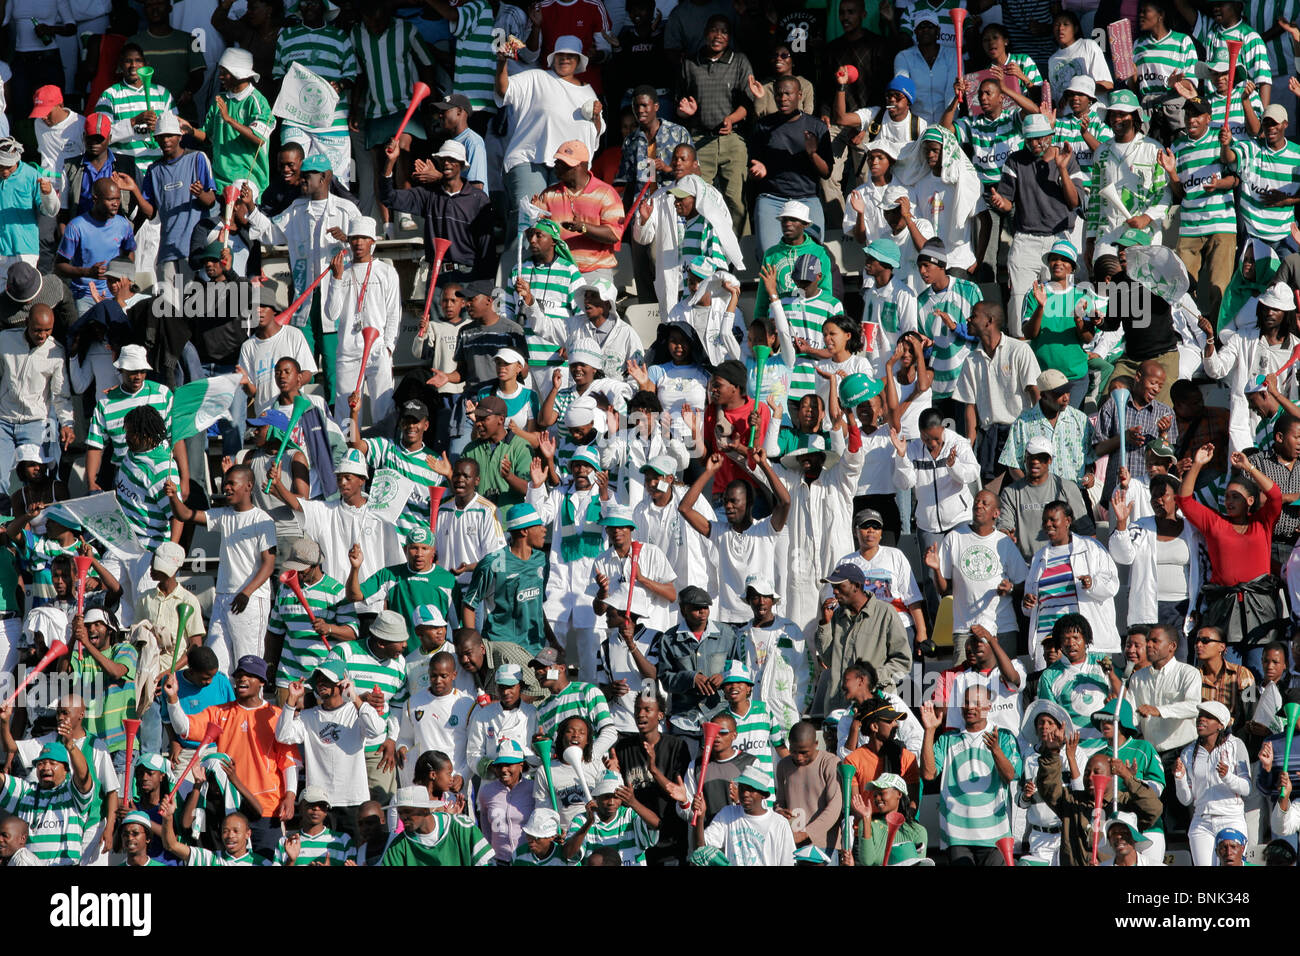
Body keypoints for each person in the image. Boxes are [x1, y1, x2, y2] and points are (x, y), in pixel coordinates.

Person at [162, 655, 298, 856]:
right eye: (239, 675)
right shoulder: (220, 712)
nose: (242, 679)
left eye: (250, 675)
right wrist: (173, 699)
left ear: (262, 682)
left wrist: (290, 795)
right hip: (230, 808)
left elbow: (288, 761)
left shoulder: (276, 715)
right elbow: (185, 728)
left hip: (267, 808)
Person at [1179, 444, 1285, 671]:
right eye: (1227, 496)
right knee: (1227, 672)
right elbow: (1185, 501)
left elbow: (1275, 496)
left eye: (1236, 496)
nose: (1229, 501)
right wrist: (1197, 464)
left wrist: (1249, 467)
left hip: (1260, 609)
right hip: (1224, 610)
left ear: (1250, 501)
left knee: (1258, 673)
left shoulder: (1261, 522)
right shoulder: (1215, 523)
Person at [166, 464, 276, 673]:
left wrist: (246, 592)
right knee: (216, 664)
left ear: (248, 486)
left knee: (247, 665)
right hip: (223, 598)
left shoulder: (263, 520)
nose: (227, 488)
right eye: (225, 484)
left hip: (250, 600)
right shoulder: (223, 514)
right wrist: (173, 497)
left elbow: (268, 565)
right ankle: (221, 705)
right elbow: (186, 514)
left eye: (232, 483)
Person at [989, 115, 1086, 337]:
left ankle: (1055, 348)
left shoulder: (1067, 158)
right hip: (1025, 239)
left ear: (1050, 136)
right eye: (1030, 139)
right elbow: (1007, 202)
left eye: (1039, 138)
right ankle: (1022, 351)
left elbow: (1074, 202)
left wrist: (1061, 168)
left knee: (1060, 299)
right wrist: (999, 202)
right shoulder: (1015, 160)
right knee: (1020, 300)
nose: (1034, 144)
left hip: (1059, 240)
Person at [275, 659, 385, 833]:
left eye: (327, 679)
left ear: (342, 684)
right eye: (318, 680)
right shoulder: (308, 716)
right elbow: (283, 735)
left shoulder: (356, 711)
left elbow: (376, 729)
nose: (321, 684)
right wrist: (291, 700)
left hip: (353, 800)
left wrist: (354, 697)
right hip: (319, 803)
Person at [919, 688, 1021, 866]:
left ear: (989, 706)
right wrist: (929, 731)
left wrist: (996, 750)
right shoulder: (947, 739)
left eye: (977, 703)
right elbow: (928, 774)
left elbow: (1010, 775)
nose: (970, 707)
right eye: (966, 702)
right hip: (957, 836)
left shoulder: (1003, 737)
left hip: (995, 835)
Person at [675, 16, 753, 233]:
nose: (718, 36)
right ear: (705, 32)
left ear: (729, 37)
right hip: (700, 140)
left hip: (732, 140)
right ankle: (704, 249)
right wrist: (684, 111)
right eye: (713, 30)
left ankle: (741, 256)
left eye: (724, 32)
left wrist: (731, 119)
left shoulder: (739, 61)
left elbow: (748, 103)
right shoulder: (690, 62)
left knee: (736, 199)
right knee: (701, 198)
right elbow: (680, 101)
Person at [927, 490, 1028, 656]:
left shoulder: (1004, 542)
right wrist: (936, 569)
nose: (978, 506)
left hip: (1002, 627)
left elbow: (1024, 584)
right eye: (976, 502)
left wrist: (1010, 589)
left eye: (984, 503)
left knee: (1003, 681)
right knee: (963, 680)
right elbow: (944, 590)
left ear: (996, 513)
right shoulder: (954, 538)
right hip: (965, 629)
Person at [1035, 738, 1163, 866]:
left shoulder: (1124, 803)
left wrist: (1127, 776)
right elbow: (1048, 787)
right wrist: (1051, 754)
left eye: (1097, 772)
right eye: (1086, 773)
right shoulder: (1071, 801)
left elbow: (1153, 809)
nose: (1090, 777)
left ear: (1111, 776)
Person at [1110, 474, 1208, 640]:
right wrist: (1121, 523)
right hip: (1148, 608)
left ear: (1177, 498)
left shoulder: (1192, 529)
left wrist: (1199, 606)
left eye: (1163, 495)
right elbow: (1123, 557)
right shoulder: (1141, 527)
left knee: (1180, 659)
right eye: (1154, 496)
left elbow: (1204, 570)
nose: (1157, 500)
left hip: (1182, 609)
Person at [953, 302, 1042, 485]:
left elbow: (1035, 391)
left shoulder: (1019, 350)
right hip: (990, 436)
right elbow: (969, 405)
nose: (968, 319)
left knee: (1024, 488)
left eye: (974, 315)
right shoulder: (971, 360)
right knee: (990, 494)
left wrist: (1039, 430)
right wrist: (969, 443)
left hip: (1019, 432)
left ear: (989, 321)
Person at [325, 216, 401, 428]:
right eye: (354, 238)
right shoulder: (342, 271)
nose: (358, 243)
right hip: (348, 351)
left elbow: (394, 313)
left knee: (382, 406)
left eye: (363, 238)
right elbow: (331, 314)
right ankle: (349, 455)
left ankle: (383, 452)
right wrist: (336, 280)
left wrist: (388, 348)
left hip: (377, 349)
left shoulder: (386, 271)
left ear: (372, 242)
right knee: (345, 411)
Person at [1023, 502, 1121, 667]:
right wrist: (1027, 603)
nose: (1048, 525)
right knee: (1049, 688)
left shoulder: (1091, 548)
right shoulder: (1039, 557)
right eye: (1045, 521)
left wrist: (1092, 584)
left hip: (1080, 637)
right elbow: (1029, 608)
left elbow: (1112, 584)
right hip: (1048, 640)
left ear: (1068, 520)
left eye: (1053, 520)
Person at [1128, 623, 1202, 832]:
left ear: (1172, 646)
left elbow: (1193, 706)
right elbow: (1133, 717)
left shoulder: (1188, 673)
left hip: (1182, 752)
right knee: (1154, 812)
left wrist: (1159, 710)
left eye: (1154, 641)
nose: (1148, 645)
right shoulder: (1137, 678)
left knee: (1182, 814)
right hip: (1151, 755)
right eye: (1148, 640)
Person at [813, 563, 911, 716]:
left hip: (873, 706)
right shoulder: (836, 616)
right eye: (833, 587)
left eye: (839, 586)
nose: (835, 591)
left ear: (856, 586)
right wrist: (824, 624)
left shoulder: (885, 613)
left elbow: (903, 661)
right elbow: (828, 659)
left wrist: (871, 679)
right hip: (837, 707)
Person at [462, 504, 552, 655]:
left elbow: (537, 606)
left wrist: (553, 639)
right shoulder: (493, 562)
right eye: (539, 526)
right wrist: (473, 647)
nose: (544, 530)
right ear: (524, 531)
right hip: (501, 648)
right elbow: (469, 605)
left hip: (535, 648)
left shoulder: (542, 560)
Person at [0, 306, 74, 483]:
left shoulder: (56, 351)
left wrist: (67, 423)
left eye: (47, 330)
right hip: (3, 420)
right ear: (27, 323)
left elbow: (60, 394)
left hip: (35, 423)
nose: (42, 335)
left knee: (35, 478)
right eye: (37, 330)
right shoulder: (5, 340)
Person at [1174, 700, 1251, 866]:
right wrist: (1179, 778)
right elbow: (1186, 799)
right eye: (1200, 716)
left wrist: (1227, 777)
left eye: (1209, 717)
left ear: (1220, 724)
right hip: (1201, 822)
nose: (1201, 720)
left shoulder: (1236, 745)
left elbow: (1246, 788)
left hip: (1232, 818)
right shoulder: (1188, 752)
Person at [396, 652, 475, 790]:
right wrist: (402, 748)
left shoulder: (467, 704)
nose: (438, 680)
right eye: (434, 675)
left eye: (443, 676)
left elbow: (474, 748)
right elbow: (405, 738)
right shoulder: (413, 703)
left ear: (453, 675)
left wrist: (463, 776)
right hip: (424, 785)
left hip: (454, 784)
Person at [696, 764, 795, 866]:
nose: (745, 794)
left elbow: (788, 861)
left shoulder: (779, 823)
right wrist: (700, 818)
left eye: (751, 789)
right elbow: (701, 847)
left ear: (763, 795)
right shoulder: (727, 814)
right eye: (742, 788)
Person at [774, 719, 843, 860]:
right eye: (793, 751)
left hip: (824, 845)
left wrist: (807, 833)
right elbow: (780, 802)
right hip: (793, 845)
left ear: (816, 744)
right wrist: (779, 811)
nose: (799, 757)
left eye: (804, 752)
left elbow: (835, 807)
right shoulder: (783, 765)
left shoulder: (830, 763)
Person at [564, 770, 660, 865]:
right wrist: (588, 824)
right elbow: (569, 854)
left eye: (616, 797)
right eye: (606, 797)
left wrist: (633, 802)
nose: (611, 802)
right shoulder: (581, 820)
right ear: (596, 797)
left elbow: (657, 824)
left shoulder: (630, 815)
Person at [381, 785, 493, 866]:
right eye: (400, 812)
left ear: (425, 810)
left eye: (408, 811)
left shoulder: (461, 827)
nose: (403, 817)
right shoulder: (398, 846)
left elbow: (486, 861)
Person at [477, 738, 536, 863]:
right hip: (498, 860)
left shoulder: (534, 789)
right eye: (499, 765)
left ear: (521, 765)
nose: (503, 770)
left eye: (508, 765)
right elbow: (486, 829)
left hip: (528, 860)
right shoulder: (486, 792)